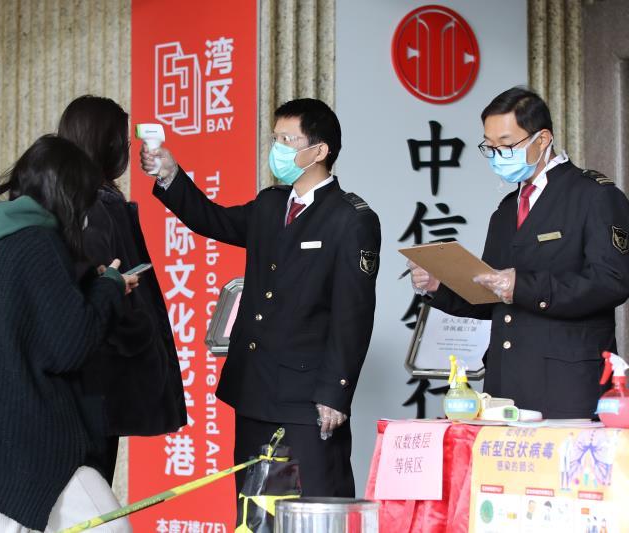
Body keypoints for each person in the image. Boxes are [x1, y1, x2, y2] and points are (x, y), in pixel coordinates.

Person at [140, 98, 381, 503]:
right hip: (254, 388)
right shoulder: (271, 204)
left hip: (307, 397)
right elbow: (213, 219)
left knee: (315, 508)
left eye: (288, 140)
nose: (277, 149)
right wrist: (170, 174)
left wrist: (335, 393)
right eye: (275, 138)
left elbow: (352, 315)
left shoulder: (350, 218)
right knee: (255, 510)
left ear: (319, 151)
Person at [0, 135, 138, 532]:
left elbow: (38, 327)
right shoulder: (40, 243)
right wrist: (109, 287)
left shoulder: (0, 240)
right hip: (17, 446)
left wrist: (88, 285)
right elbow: (70, 344)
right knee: (109, 527)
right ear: (68, 193)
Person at [409, 86, 629, 419]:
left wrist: (522, 286)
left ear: (542, 140)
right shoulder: (506, 209)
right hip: (505, 383)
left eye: (507, 144)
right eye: (490, 146)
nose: (498, 155)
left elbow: (612, 282)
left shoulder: (593, 196)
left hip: (568, 382)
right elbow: (490, 297)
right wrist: (440, 285)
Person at [57, 95, 187, 485]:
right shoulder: (96, 207)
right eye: (123, 141)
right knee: (88, 496)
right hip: (98, 386)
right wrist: (141, 338)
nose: (128, 151)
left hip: (82, 384)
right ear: (106, 144)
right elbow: (101, 293)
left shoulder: (69, 201)